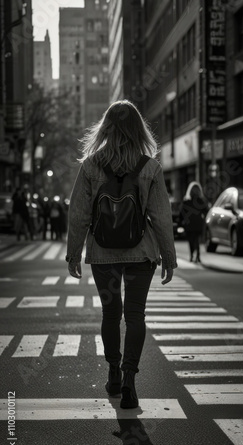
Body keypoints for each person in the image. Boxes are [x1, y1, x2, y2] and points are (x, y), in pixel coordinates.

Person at [65, 100, 177, 409]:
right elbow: (161, 216)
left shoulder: (90, 166)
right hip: (141, 251)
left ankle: (113, 371)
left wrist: (73, 253)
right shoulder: (149, 166)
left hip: (103, 252)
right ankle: (130, 380)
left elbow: (78, 214)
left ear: (106, 128)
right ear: (138, 129)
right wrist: (169, 256)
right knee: (136, 315)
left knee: (111, 315)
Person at [180, 181, 208, 262]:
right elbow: (206, 210)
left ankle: (193, 255)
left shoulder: (187, 201)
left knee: (192, 240)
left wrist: (182, 221)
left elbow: (182, 212)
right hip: (197, 223)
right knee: (196, 240)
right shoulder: (200, 201)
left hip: (190, 224)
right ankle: (197, 255)